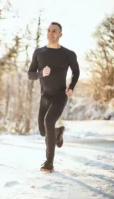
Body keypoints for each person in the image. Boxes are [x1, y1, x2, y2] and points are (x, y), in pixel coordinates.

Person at [28, 22, 80, 173]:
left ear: (60, 35)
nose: (51, 33)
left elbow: (76, 72)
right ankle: (57, 133)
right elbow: (30, 74)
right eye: (49, 30)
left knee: (48, 121)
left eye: (54, 31)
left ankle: (48, 162)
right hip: (45, 96)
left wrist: (71, 87)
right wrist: (40, 74)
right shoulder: (39, 52)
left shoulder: (68, 54)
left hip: (59, 95)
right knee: (43, 131)